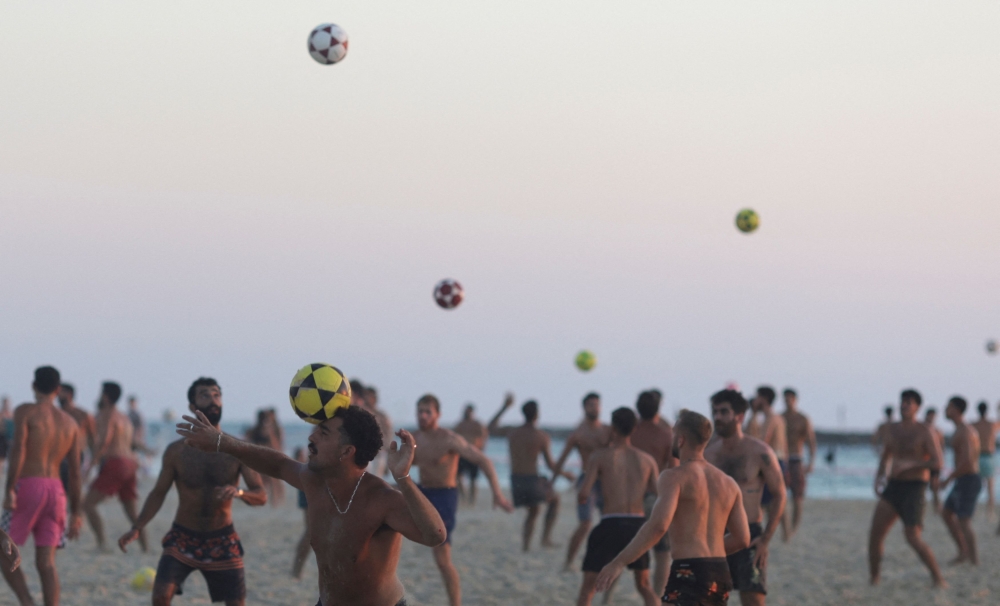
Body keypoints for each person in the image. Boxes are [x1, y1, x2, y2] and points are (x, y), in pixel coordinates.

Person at [179, 403, 446, 606]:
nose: (311, 437)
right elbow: (278, 464)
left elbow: (435, 535)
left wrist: (404, 478)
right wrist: (221, 442)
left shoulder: (382, 499)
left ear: (346, 451)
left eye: (323, 433)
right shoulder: (315, 482)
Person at [118, 377, 267, 606]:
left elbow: (261, 495)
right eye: (205, 395)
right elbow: (158, 492)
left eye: (217, 395)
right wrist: (136, 527)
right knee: (159, 596)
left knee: (237, 603)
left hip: (223, 539)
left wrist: (239, 492)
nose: (213, 400)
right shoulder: (177, 451)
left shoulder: (236, 449)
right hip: (182, 538)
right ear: (192, 407)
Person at [594, 410, 750, 606]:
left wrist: (618, 562)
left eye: (673, 433)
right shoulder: (729, 483)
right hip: (720, 571)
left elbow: (658, 526)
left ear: (681, 439)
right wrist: (709, 555)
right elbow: (742, 538)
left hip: (689, 569)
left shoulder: (674, 477)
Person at [411, 394, 512, 606]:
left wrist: (497, 493)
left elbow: (484, 460)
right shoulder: (414, 439)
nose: (423, 415)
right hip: (421, 493)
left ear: (438, 414)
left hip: (444, 497)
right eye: (419, 411)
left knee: (442, 559)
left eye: (427, 411)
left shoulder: (449, 438)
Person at [1, 366, 83, 606]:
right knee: (46, 562)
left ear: (33, 386)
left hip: (28, 485)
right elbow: (76, 473)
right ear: (58, 390)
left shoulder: (26, 411)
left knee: (3, 547)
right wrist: (77, 511)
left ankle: (26, 601)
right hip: (57, 492)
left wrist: (8, 490)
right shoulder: (70, 423)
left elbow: (18, 450)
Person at [704, 389, 785, 606]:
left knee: (754, 601)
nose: (717, 417)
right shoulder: (708, 454)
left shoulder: (760, 452)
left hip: (749, 535)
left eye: (723, 412)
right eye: (715, 412)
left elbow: (779, 494)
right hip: (716, 536)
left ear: (739, 416)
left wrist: (766, 538)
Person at [575, 408, 659, 606]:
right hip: (638, 526)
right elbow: (659, 494)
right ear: (634, 428)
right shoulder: (647, 460)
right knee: (644, 586)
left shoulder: (600, 456)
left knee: (588, 588)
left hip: (611, 523)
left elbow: (584, 493)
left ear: (612, 427)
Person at [867, 389, 945, 587]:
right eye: (902, 401)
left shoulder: (925, 431)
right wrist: (878, 478)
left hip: (915, 487)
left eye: (909, 402)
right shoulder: (891, 429)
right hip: (893, 486)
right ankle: (874, 578)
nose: (904, 405)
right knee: (875, 534)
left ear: (917, 407)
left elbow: (938, 462)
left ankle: (938, 578)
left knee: (912, 537)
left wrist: (912, 465)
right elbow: (886, 455)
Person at [488, 395, 563, 551]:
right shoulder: (541, 436)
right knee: (554, 501)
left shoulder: (512, 432)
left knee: (533, 512)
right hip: (532, 481)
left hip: (515, 481)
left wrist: (504, 406)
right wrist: (566, 474)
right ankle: (545, 538)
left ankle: (526, 546)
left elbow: (490, 427)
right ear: (537, 415)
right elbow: (550, 465)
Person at [551, 393, 612, 571]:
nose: (595, 408)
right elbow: (561, 460)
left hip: (607, 481)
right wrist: (552, 483)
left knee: (608, 523)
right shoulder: (578, 434)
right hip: (587, 480)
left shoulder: (608, 430)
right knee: (585, 524)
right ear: (584, 408)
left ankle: (606, 563)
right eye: (591, 405)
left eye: (598, 405)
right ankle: (568, 562)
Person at [82, 382, 143, 552]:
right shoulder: (124, 417)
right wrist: (148, 450)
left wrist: (90, 465)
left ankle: (102, 544)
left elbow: (104, 441)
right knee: (131, 510)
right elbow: (133, 442)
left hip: (116, 463)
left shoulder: (107, 414)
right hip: (131, 463)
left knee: (88, 504)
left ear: (105, 396)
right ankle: (145, 547)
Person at [630, 390, 675, 597]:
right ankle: (657, 596)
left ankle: (606, 599)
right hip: (655, 497)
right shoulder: (667, 434)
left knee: (624, 551)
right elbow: (674, 468)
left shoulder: (629, 432)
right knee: (663, 553)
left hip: (629, 498)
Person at [940, 396, 981, 565]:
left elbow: (968, 463)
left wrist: (948, 479)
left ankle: (973, 560)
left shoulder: (965, 431)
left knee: (964, 520)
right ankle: (963, 551)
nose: (945, 410)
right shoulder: (959, 429)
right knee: (947, 513)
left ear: (956, 410)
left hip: (968, 479)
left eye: (948, 407)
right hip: (962, 479)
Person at [781, 388, 816, 541]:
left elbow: (811, 442)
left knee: (797, 498)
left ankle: (793, 529)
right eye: (785, 399)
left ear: (795, 400)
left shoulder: (803, 418)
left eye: (790, 399)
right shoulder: (780, 418)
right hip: (783, 459)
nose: (787, 401)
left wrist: (811, 462)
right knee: (780, 496)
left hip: (797, 459)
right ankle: (786, 528)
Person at [56, 384, 96, 493]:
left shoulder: (83, 415)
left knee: (73, 491)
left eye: (60, 392)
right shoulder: (55, 414)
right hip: (58, 456)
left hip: (78, 457)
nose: (57, 395)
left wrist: (93, 465)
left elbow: (93, 440)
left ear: (69, 394)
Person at [453, 404, 488, 505]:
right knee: (459, 476)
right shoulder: (460, 424)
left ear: (472, 413)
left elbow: (484, 436)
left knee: (473, 479)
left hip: (473, 454)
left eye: (469, 412)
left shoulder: (477, 424)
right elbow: (454, 437)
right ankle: (463, 496)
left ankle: (472, 499)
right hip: (462, 454)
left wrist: (481, 450)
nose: (467, 413)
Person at [971, 401, 997, 518]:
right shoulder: (991, 425)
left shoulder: (973, 425)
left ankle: (973, 511)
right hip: (988, 456)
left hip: (976, 457)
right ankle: (990, 512)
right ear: (987, 411)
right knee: (990, 487)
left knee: (975, 487)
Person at [362, 386, 394, 479]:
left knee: (375, 480)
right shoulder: (362, 413)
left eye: (369, 396)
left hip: (379, 453)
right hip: (365, 453)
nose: (366, 399)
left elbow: (389, 435)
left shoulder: (382, 416)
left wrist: (388, 456)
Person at [290, 446, 311, 579]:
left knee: (310, 532)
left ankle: (297, 569)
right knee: (310, 532)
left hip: (308, 480)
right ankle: (297, 569)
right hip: (309, 482)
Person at [923, 407, 946, 514]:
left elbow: (942, 449)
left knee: (935, 486)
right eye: (930, 416)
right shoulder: (920, 430)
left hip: (934, 463)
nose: (931, 418)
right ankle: (923, 508)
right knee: (921, 485)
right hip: (923, 462)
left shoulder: (938, 431)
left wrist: (941, 463)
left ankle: (937, 508)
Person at [0, 397, 12, 473]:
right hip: (2, 438)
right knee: (2, 458)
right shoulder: (1, 414)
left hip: (10, 438)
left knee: (11, 457)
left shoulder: (12, 414)